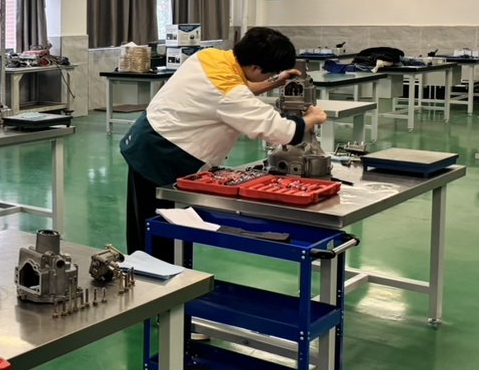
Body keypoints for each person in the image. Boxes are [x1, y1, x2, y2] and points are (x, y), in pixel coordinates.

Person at [120, 27, 327, 259]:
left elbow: (237, 86)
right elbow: (279, 130)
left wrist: (274, 82)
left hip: (149, 139)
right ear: (255, 67)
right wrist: (312, 118)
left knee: (149, 224)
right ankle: (153, 275)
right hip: (161, 155)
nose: (271, 75)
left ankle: (155, 270)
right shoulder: (228, 93)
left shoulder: (210, 56)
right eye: (270, 72)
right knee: (158, 231)